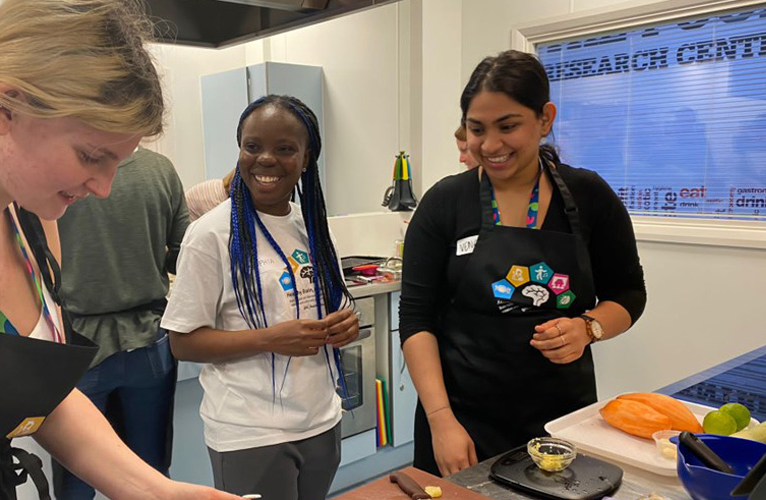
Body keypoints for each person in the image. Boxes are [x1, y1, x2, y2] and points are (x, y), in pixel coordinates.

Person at [0, 1, 240, 499]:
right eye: (91, 156)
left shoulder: (32, 219)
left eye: (118, 161)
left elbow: (38, 393)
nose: (104, 187)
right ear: (1, 108)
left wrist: (161, 492)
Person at [400, 50, 647, 477]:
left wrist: (588, 328)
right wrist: (441, 420)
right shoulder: (445, 203)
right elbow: (416, 319)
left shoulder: (589, 196)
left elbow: (629, 292)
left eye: (508, 126)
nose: (490, 146)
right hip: (460, 418)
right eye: (477, 130)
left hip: (560, 422)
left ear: (544, 119)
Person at [161, 95, 360, 500]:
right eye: (253, 147)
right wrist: (268, 339)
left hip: (321, 419)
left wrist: (346, 322)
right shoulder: (211, 235)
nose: (265, 159)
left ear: (306, 159)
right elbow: (182, 343)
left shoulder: (314, 228)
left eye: (285, 149)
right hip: (250, 431)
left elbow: (335, 304)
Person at [52, 146, 190, 499]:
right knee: (151, 474)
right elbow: (185, 257)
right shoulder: (159, 169)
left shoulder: (57, 169)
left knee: (76, 480)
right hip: (148, 343)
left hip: (77, 345)